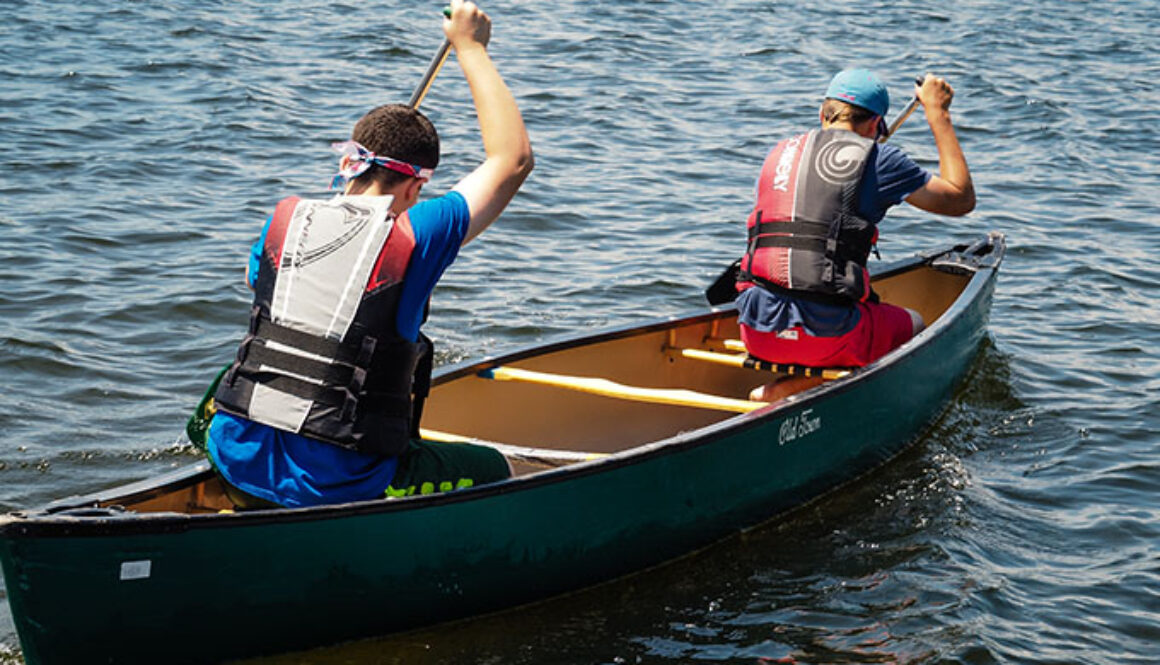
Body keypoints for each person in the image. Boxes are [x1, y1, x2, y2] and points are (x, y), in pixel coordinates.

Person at [204, 0, 534, 508]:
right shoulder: (415, 233)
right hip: (341, 479)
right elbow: (512, 161)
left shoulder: (285, 220)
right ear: (416, 187)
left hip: (233, 448)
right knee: (499, 468)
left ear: (346, 162)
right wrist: (470, 48)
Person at [736, 69, 974, 400]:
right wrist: (938, 112)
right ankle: (784, 393)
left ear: (823, 114)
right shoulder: (880, 159)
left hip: (754, 327)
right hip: (823, 336)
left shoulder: (780, 153)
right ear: (876, 125)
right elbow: (960, 199)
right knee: (916, 326)